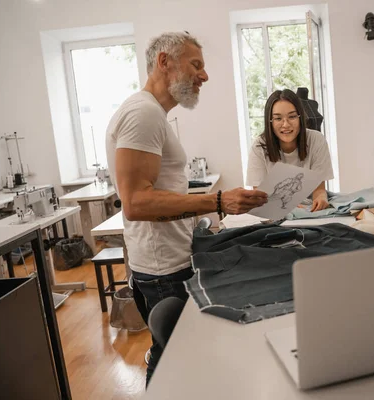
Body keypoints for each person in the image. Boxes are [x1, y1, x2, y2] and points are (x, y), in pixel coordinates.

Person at [105, 32, 267, 385]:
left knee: (172, 359)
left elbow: (158, 189)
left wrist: (202, 219)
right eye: (196, 65)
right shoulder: (142, 114)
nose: (204, 76)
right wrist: (219, 201)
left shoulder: (153, 114)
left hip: (169, 260)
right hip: (163, 272)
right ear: (164, 62)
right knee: (175, 365)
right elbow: (135, 203)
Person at [246, 89, 334, 212]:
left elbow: (319, 190)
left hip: (309, 209)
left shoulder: (316, 140)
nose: (286, 124)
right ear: (270, 121)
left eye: (292, 117)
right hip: (274, 209)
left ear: (300, 118)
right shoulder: (259, 146)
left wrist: (321, 199)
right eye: (278, 118)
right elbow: (258, 195)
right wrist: (285, 206)